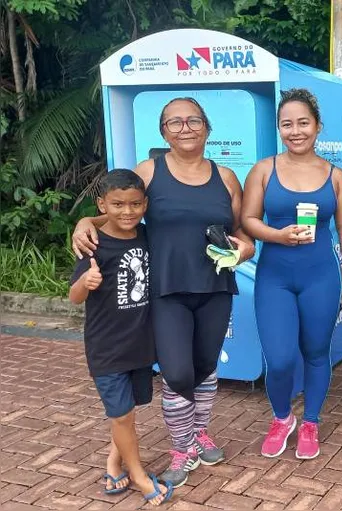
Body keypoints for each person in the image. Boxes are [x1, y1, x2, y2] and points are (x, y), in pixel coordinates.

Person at [72, 97, 255, 488]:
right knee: (176, 372)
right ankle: (180, 448)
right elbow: (121, 211)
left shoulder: (226, 178)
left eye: (193, 120)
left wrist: (244, 250)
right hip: (165, 290)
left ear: (207, 128)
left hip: (215, 288)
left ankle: (199, 435)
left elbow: (242, 234)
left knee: (205, 367)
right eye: (175, 122)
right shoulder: (150, 171)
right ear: (163, 132)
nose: (185, 128)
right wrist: (85, 220)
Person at [240, 88, 342, 460]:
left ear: (318, 127)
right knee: (278, 359)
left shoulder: (335, 176)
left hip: (321, 276)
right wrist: (277, 235)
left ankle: (310, 422)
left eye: (303, 123)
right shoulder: (263, 170)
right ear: (279, 128)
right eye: (287, 124)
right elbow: (247, 220)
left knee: (316, 352)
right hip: (274, 275)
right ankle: (281, 418)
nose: (295, 131)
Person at [69, 170, 172, 505]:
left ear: (145, 205)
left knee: (132, 406)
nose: (127, 212)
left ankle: (114, 461)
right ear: (102, 204)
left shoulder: (146, 235)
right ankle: (139, 475)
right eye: (117, 205)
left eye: (135, 204)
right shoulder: (93, 244)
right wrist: (86, 283)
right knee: (121, 414)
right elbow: (74, 296)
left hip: (141, 342)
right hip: (106, 346)